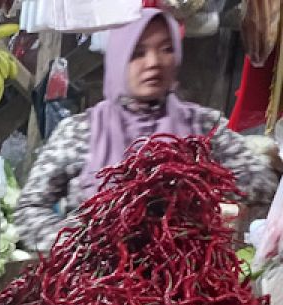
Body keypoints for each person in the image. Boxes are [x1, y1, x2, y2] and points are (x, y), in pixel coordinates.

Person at [15, 8, 278, 254]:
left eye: (165, 49)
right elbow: (29, 210)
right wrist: (80, 244)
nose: (154, 62)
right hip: (95, 286)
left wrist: (200, 178)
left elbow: (262, 185)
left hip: (182, 283)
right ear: (118, 58)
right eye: (138, 52)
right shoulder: (80, 131)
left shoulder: (202, 127)